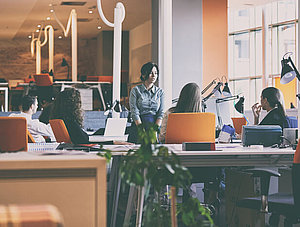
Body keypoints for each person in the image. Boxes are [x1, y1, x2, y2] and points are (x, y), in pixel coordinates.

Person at [50, 88, 131, 145]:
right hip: (83, 153)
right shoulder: (71, 123)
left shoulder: (62, 120)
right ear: (74, 105)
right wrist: (113, 142)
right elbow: (85, 143)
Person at [129, 62, 164, 143]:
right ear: (144, 74)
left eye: (156, 73)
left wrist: (155, 131)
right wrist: (142, 130)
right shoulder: (135, 90)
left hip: (155, 126)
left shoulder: (160, 92)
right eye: (151, 73)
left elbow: (161, 113)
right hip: (139, 125)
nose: (154, 75)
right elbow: (134, 112)